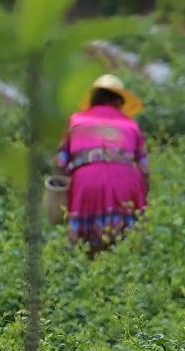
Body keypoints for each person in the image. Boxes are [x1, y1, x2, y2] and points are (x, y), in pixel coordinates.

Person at [55, 74, 149, 256]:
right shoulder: (131, 125)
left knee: (85, 250)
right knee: (126, 247)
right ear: (118, 102)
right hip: (126, 183)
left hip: (87, 182)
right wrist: (145, 199)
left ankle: (88, 263)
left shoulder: (76, 122)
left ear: (93, 99)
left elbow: (61, 162)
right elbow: (144, 169)